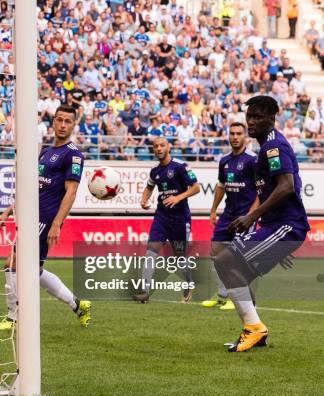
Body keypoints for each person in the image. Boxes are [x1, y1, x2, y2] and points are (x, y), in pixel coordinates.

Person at [214, 95, 310, 352]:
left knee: (224, 260)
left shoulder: (273, 147)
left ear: (272, 118)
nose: (252, 121)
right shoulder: (264, 149)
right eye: (250, 117)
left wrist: (251, 217)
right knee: (238, 272)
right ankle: (255, 332)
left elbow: (287, 187)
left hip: (286, 226)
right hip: (276, 228)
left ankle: (254, 328)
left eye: (258, 117)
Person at [0, 105, 91, 331]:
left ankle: (13, 317)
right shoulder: (45, 152)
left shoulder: (73, 155)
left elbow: (71, 192)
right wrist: (9, 210)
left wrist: (56, 224)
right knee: (34, 269)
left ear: (74, 125)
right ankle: (77, 304)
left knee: (12, 263)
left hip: (45, 219)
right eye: (60, 120)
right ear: (53, 122)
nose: (63, 125)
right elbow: (34, 189)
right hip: (32, 216)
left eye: (68, 121)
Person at [133, 137, 201, 303]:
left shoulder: (180, 166)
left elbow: (196, 187)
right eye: (155, 146)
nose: (158, 149)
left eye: (162, 145)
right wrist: (144, 200)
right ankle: (144, 291)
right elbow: (149, 187)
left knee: (180, 256)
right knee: (150, 251)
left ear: (168, 147)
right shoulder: (155, 171)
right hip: (161, 217)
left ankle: (189, 283)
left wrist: (178, 198)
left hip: (180, 217)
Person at [202, 123, 258, 311]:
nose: (235, 137)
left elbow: (262, 190)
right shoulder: (224, 160)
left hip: (245, 216)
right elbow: (221, 186)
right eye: (232, 133)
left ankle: (240, 298)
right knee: (215, 252)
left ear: (245, 137)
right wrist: (213, 209)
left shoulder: (252, 160)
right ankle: (222, 295)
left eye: (238, 134)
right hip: (228, 214)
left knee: (237, 256)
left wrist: (252, 215)